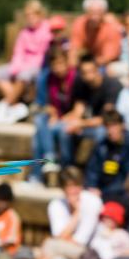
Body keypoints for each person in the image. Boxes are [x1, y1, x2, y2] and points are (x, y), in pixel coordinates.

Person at [0, 0, 52, 124]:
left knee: (24, 75)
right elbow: (18, 53)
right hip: (21, 64)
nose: (29, 18)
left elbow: (43, 55)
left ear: (39, 14)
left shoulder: (47, 30)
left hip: (37, 66)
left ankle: (4, 105)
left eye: (32, 15)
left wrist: (24, 68)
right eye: (27, 15)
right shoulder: (24, 33)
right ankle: (16, 106)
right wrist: (16, 68)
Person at [38, 167, 103, 259]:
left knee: (49, 245)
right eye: (70, 186)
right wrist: (76, 215)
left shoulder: (93, 202)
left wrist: (77, 211)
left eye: (77, 185)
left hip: (90, 252)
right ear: (63, 188)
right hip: (66, 250)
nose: (74, 190)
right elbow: (59, 237)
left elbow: (81, 241)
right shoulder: (56, 204)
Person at [32, 48, 77, 179]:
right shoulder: (46, 78)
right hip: (54, 118)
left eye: (61, 64)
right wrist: (51, 111)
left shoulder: (75, 78)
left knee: (42, 135)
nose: (58, 68)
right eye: (54, 65)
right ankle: (49, 158)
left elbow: (80, 107)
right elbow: (41, 104)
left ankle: (37, 175)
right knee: (39, 122)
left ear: (67, 62)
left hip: (71, 119)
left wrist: (60, 118)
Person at [84, 109, 129, 200]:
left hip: (121, 194)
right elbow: (93, 170)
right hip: (100, 192)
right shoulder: (102, 145)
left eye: (114, 126)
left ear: (122, 126)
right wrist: (92, 187)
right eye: (107, 127)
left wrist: (105, 193)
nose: (111, 131)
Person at [69, 0, 122, 67]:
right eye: (92, 12)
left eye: (98, 12)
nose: (95, 16)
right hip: (92, 58)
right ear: (86, 12)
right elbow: (73, 49)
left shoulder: (112, 27)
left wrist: (89, 66)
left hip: (110, 62)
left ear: (104, 12)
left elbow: (108, 57)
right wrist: (71, 67)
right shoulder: (79, 23)